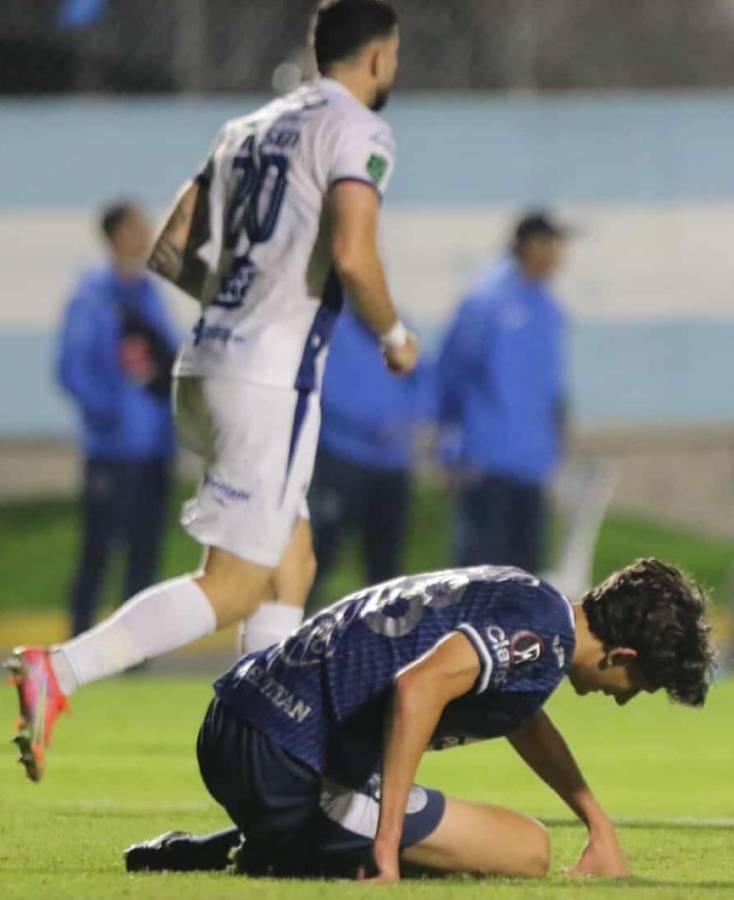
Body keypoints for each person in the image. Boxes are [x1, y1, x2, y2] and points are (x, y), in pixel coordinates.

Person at [7, 0, 421, 783]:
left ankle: (266, 752)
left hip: (205, 365)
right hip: (269, 380)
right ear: (377, 59)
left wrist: (240, 303)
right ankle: (59, 669)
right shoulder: (359, 129)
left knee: (290, 565)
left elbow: (169, 249)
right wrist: (396, 339)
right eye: (393, 56)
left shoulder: (246, 128)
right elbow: (355, 256)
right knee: (233, 584)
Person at [121, 559, 715, 882]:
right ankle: (275, 846)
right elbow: (418, 685)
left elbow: (522, 716)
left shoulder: (526, 596)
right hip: (287, 762)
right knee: (526, 849)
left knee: (423, 821)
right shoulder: (544, 640)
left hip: (234, 720)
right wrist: (386, 845)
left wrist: (597, 822)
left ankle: (253, 844)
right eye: (642, 685)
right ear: (622, 656)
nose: (627, 698)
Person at [57, 201, 180, 637]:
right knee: (98, 551)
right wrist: (110, 415)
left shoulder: (149, 294)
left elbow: (168, 362)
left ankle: (134, 652)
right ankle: (77, 645)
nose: (146, 233)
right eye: (136, 227)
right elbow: (71, 368)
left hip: (155, 447)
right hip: (111, 450)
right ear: (115, 236)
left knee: (145, 553)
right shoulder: (92, 297)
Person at [437, 212, 570, 574]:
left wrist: (558, 439)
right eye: (553, 245)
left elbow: (551, 384)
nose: (560, 257)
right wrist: (448, 445)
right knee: (481, 577)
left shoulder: (548, 307)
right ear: (530, 245)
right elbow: (451, 373)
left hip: (532, 463)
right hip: (487, 460)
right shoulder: (486, 300)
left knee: (526, 581)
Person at [309, 308, 435, 611]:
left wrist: (409, 421)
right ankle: (292, 640)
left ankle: (382, 648)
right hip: (341, 457)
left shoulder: (399, 324)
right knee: (316, 558)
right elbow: (319, 385)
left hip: (392, 465)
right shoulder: (327, 325)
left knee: (387, 572)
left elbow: (424, 381)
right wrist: (374, 424)